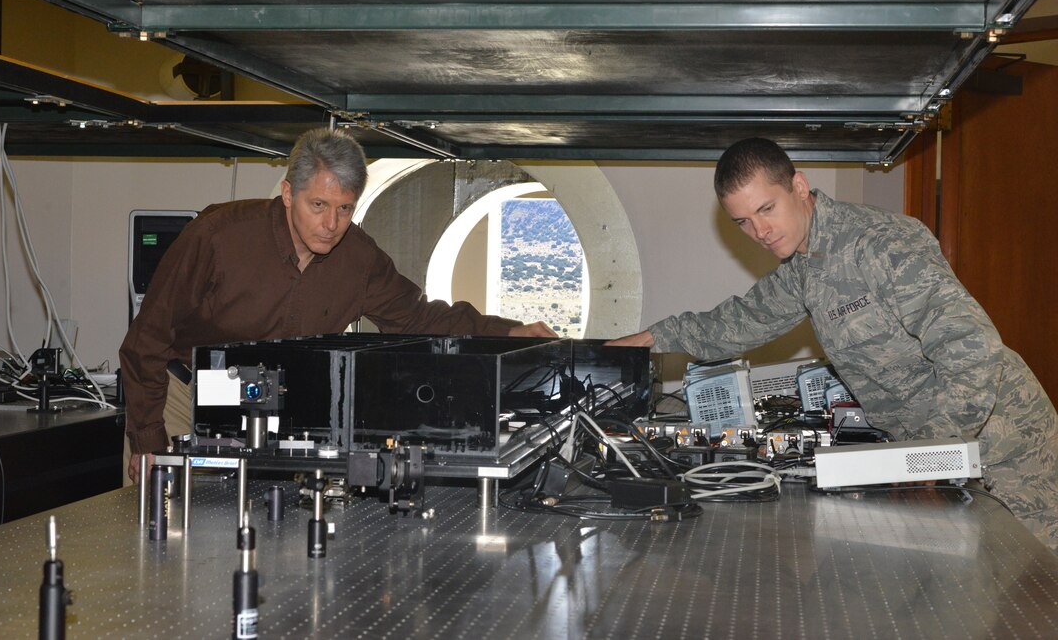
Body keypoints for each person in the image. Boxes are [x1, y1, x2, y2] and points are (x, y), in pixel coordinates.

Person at [610, 137, 1058, 551]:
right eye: (744, 221)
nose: (760, 231)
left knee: (1039, 582)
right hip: (938, 451)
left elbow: (971, 348)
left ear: (799, 187)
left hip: (1007, 442)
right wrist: (647, 340)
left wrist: (924, 456)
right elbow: (741, 321)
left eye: (767, 209)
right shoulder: (804, 265)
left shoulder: (878, 243)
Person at [120, 127, 555, 482]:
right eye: (319, 205)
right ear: (288, 194)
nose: (331, 225)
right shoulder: (217, 237)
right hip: (183, 399)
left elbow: (419, 317)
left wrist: (508, 332)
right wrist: (149, 440)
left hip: (277, 415)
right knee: (161, 539)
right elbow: (146, 341)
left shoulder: (359, 259)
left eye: (345, 209)